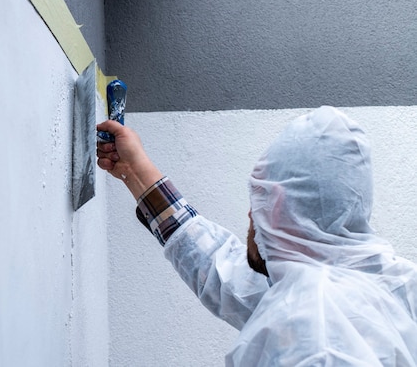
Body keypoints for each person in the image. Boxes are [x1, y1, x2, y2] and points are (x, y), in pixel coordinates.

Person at [96, 106, 417, 366]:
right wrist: (134, 170)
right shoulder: (395, 285)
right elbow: (224, 273)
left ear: (278, 207)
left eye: (258, 200)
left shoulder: (305, 329)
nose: (250, 215)